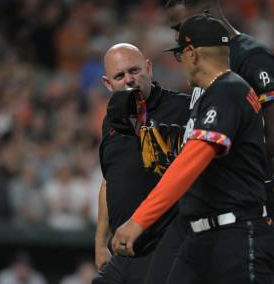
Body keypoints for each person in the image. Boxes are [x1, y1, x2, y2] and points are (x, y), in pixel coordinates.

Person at [112, 15, 274, 284]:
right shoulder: (213, 94)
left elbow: (192, 160)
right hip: (202, 236)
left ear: (191, 54)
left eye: (179, 56)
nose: (180, 64)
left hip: (235, 235)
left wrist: (139, 220)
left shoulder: (228, 91)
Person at [93, 43, 190, 284]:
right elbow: (109, 181)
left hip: (165, 247)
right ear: (108, 84)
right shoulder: (111, 122)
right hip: (123, 252)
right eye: (119, 76)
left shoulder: (184, 109)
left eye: (134, 71)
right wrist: (99, 243)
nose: (129, 80)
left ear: (148, 68)